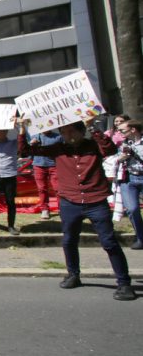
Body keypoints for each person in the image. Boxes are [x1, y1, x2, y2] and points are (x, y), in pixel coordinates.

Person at [17, 118, 136, 301]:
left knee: (109, 242)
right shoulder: (58, 148)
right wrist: (22, 130)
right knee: (69, 240)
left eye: (71, 131)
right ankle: (73, 274)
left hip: (95, 200)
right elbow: (25, 151)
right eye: (64, 132)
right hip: (69, 202)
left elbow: (109, 149)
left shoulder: (93, 145)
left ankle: (124, 283)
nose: (67, 136)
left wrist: (92, 127)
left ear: (81, 131)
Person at [117, 119, 143, 250]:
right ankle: (140, 237)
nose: (119, 132)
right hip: (129, 178)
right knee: (132, 209)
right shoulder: (123, 143)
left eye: (122, 130)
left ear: (133, 129)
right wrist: (121, 158)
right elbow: (115, 159)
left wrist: (135, 152)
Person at [28, 130, 63, 219]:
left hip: (54, 165)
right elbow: (27, 152)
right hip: (38, 165)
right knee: (42, 189)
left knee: (58, 188)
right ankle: (45, 209)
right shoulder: (34, 136)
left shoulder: (58, 137)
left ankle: (62, 209)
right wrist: (31, 145)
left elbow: (62, 151)